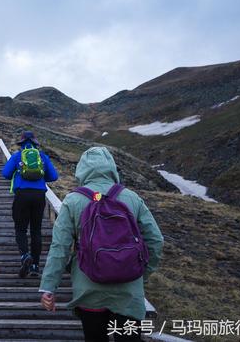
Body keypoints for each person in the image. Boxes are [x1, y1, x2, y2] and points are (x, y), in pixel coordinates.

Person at [39, 146, 164, 342]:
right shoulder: (130, 197)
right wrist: (142, 274)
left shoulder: (73, 200)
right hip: (128, 292)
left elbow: (60, 248)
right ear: (111, 167)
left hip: (89, 291)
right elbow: (156, 240)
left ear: (82, 170)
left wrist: (49, 287)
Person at [2, 131, 58, 278]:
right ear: (35, 143)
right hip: (39, 196)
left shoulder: (17, 155)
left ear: (21, 143)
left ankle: (25, 256)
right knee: (36, 230)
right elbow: (54, 176)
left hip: (22, 195)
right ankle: (35, 266)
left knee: (20, 229)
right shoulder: (42, 156)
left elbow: (6, 173)